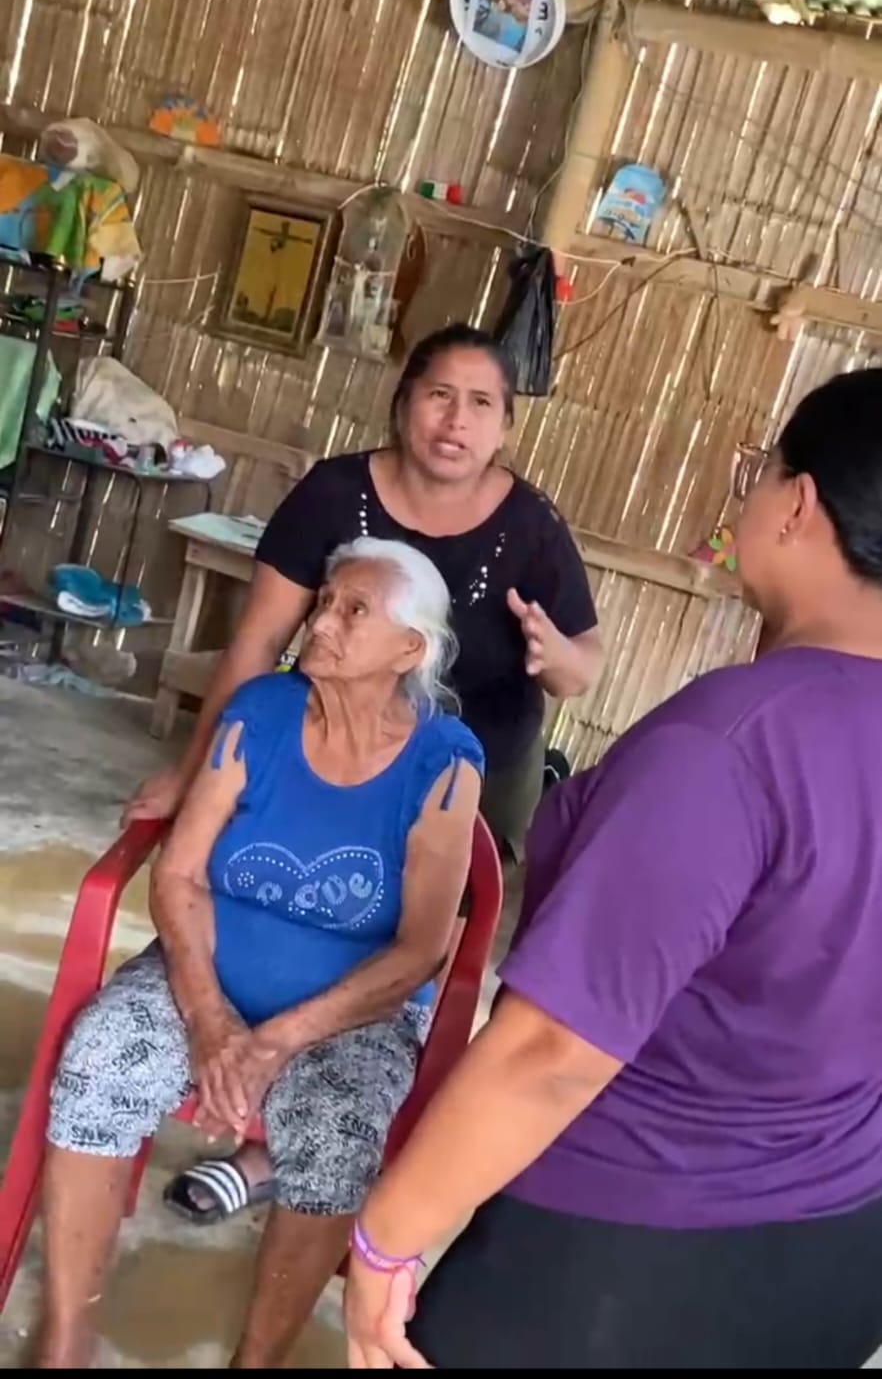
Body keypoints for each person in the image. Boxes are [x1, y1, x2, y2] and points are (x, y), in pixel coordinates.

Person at [344, 368, 882, 1371]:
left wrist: (388, 1237)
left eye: (762, 471)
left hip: (624, 1260)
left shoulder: (732, 743)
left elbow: (555, 1051)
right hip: (844, 1250)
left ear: (799, 504)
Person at [129, 322, 600, 1226]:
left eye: (481, 403)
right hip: (323, 743)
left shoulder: (532, 526)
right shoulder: (334, 494)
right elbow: (258, 642)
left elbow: (584, 664)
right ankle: (261, 1077)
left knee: (413, 939)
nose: (455, 420)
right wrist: (193, 773)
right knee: (285, 901)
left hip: (464, 769)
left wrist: (558, 659)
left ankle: (277, 1146)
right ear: (403, 401)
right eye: (438, 395)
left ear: (505, 425)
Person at [36, 538, 483, 1370]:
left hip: (348, 1017)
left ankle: (257, 1362)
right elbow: (178, 875)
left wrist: (273, 1042)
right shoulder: (259, 714)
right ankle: (63, 1342)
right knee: (99, 1056)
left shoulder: (443, 762)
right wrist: (212, 1022)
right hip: (207, 979)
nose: (322, 623)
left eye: (354, 611)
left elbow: (422, 947)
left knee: (337, 1132)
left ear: (408, 649)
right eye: (325, 603)